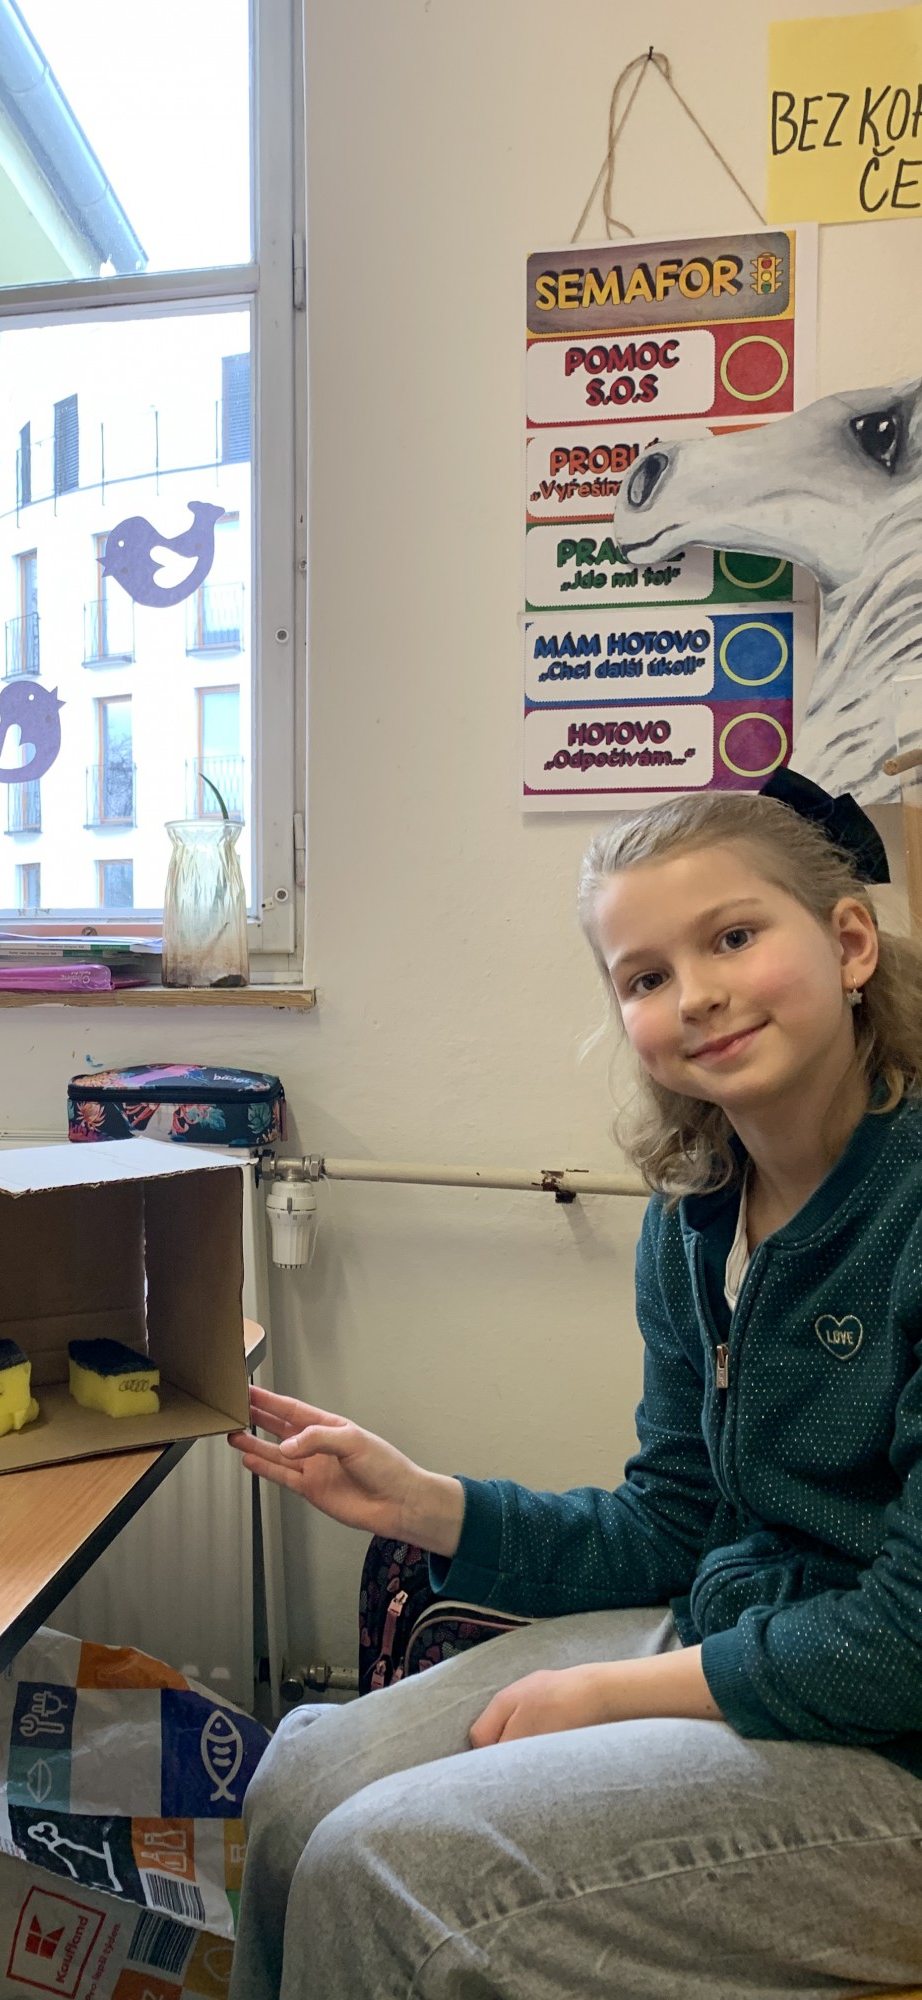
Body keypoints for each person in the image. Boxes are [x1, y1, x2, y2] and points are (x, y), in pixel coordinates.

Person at [228, 786, 922, 2000]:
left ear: (851, 942)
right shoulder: (695, 1218)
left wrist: (610, 1691)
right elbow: (674, 1524)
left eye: (734, 936)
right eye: (645, 975)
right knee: (302, 1778)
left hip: (895, 1741)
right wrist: (425, 1503)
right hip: (746, 1636)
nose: (695, 993)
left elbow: (908, 1641)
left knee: (382, 1864)